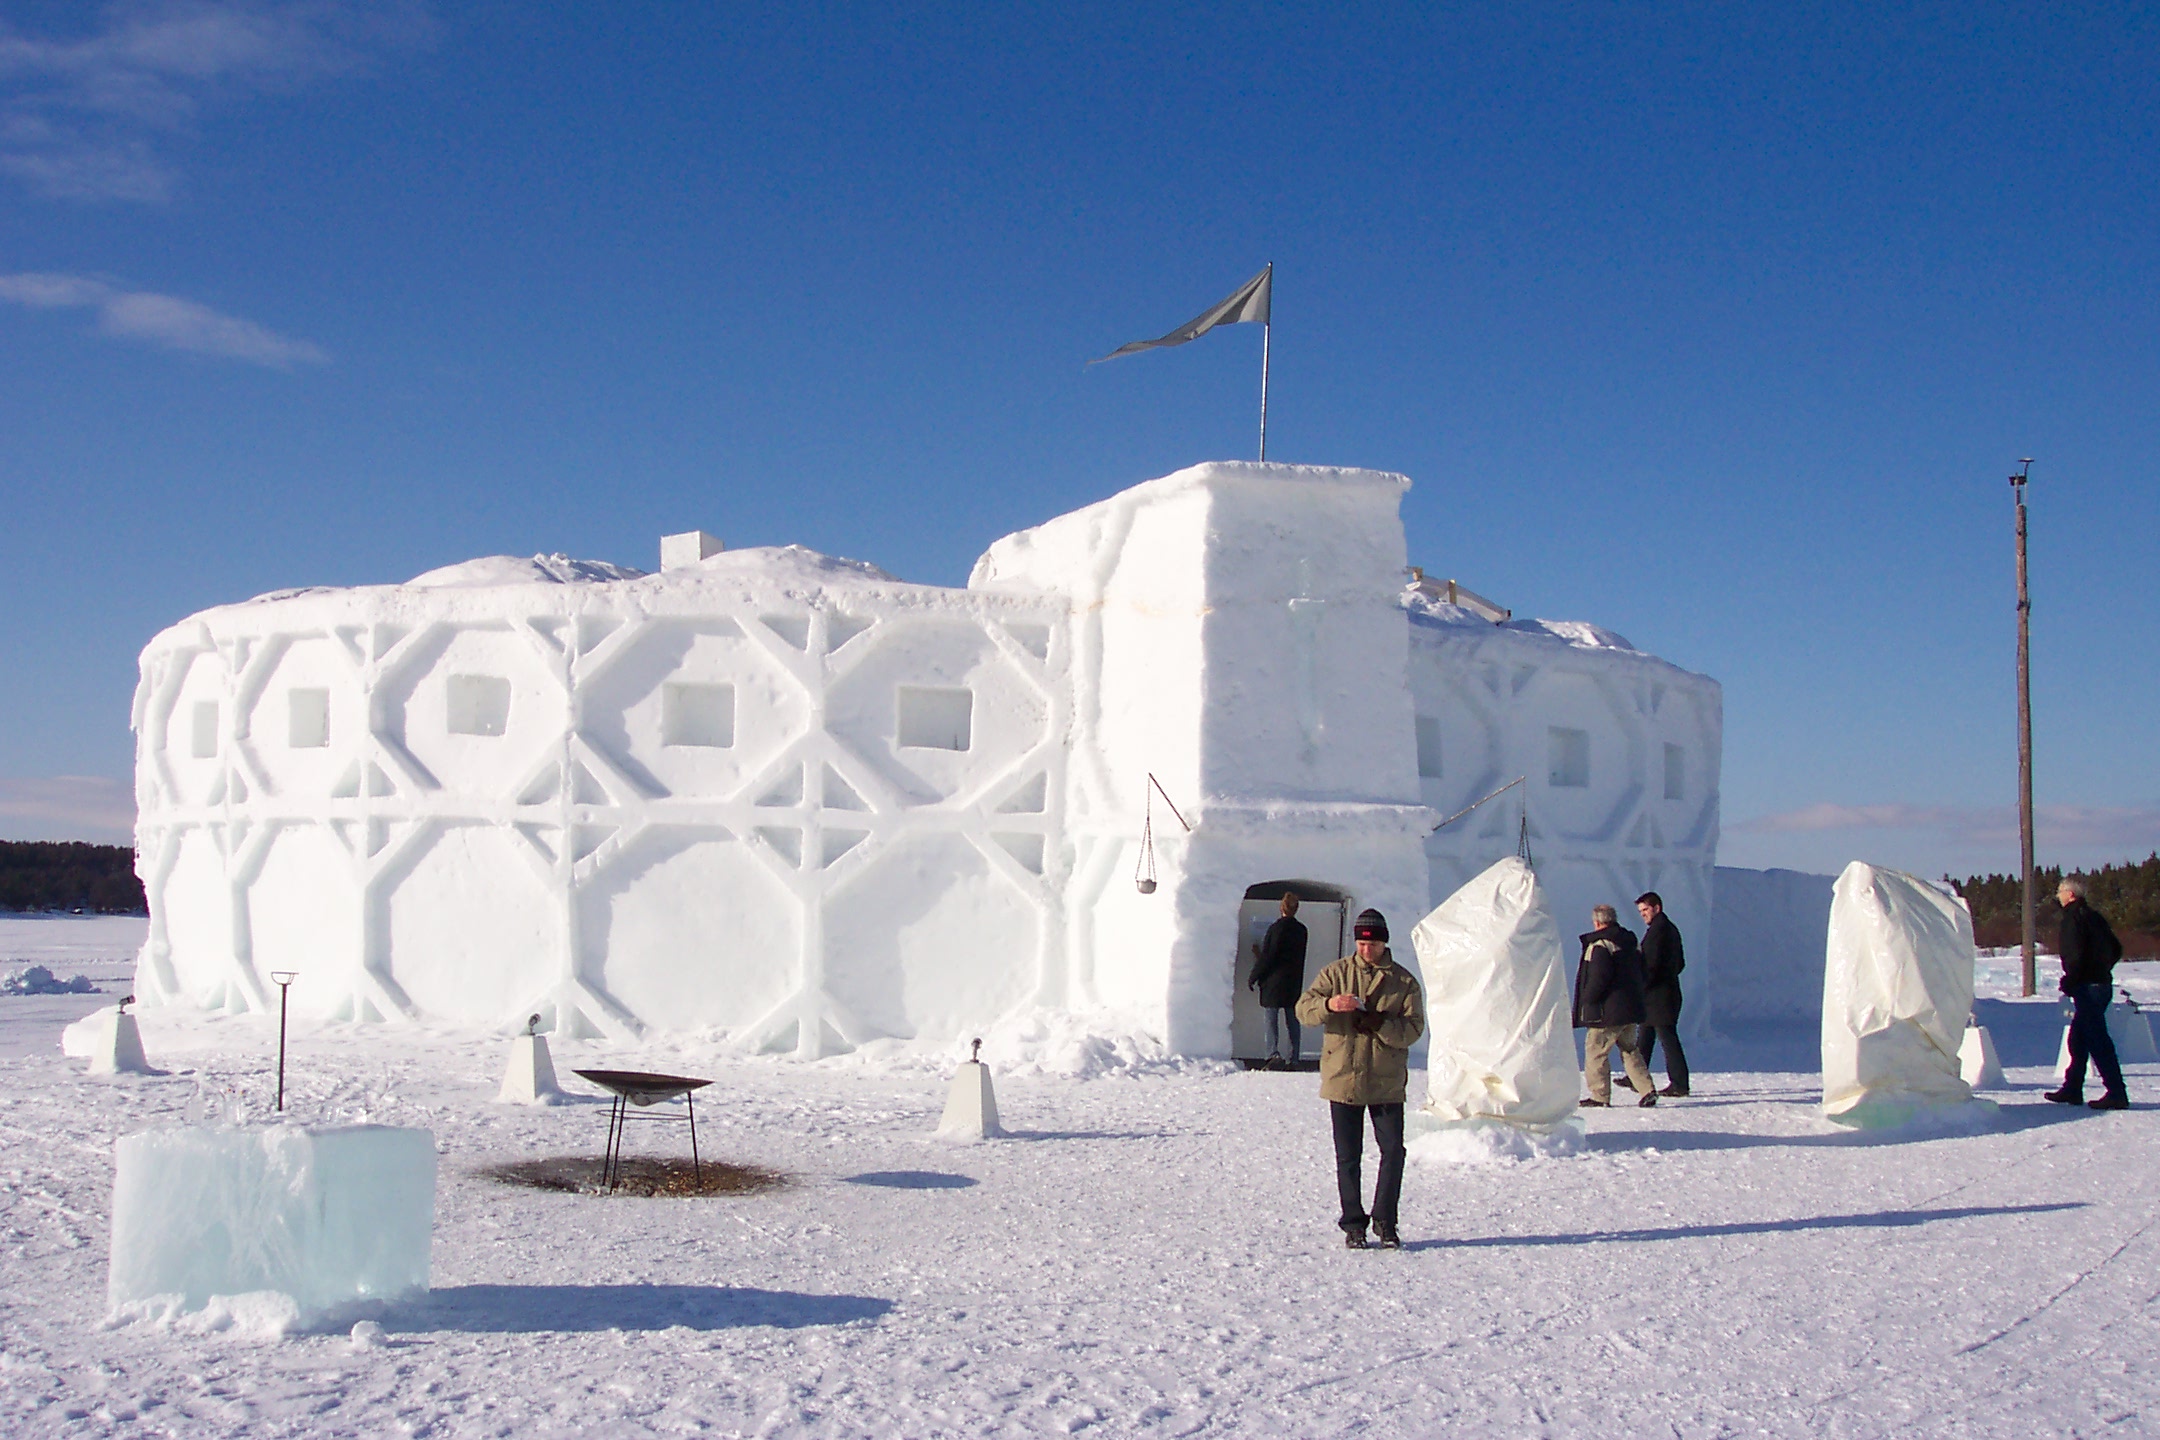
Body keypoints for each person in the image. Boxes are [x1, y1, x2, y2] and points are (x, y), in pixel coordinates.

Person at [1295, 908, 1426, 1249]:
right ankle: (1353, 1223)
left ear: (1385, 942)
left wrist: (1382, 1025)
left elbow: (1414, 1029)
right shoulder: (1335, 973)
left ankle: (1386, 1220)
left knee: (1393, 1151)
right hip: (1344, 1077)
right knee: (1348, 1156)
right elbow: (1303, 1009)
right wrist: (1330, 1005)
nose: (1367, 950)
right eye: (1362, 943)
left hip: (1386, 1080)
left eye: (1374, 943)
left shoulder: (1404, 981)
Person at [2047, 876, 2129, 1110]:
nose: (2058, 896)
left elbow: (2075, 954)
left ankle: (2116, 1092)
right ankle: (2072, 1088)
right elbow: (2116, 948)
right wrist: (2102, 969)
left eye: (2060, 891)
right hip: (2101, 984)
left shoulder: (2073, 918)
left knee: (2097, 1040)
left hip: (2087, 986)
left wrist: (2072, 979)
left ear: (2071, 894)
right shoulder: (2095, 917)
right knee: (2078, 1038)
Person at [1574, 904, 1657, 1108]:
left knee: (1596, 1050)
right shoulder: (1631, 942)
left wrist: (1588, 999)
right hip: (1631, 1008)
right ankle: (1647, 1089)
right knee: (1629, 1048)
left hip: (1608, 1011)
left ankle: (1599, 1095)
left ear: (1597, 922)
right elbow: (1643, 972)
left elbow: (1599, 978)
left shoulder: (1601, 945)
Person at [1621, 891, 1690, 1098]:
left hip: (1660, 996)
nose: (1643, 914)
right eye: (1640, 911)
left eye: (1645, 910)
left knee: (1667, 1038)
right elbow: (1679, 963)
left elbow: (1652, 965)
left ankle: (1679, 1083)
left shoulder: (1659, 931)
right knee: (1646, 1035)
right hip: (1661, 994)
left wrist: (1644, 983)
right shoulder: (1666, 929)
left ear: (1656, 908)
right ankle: (1636, 1077)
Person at [1248, 893, 1309, 1068]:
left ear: (1281, 907)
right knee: (1293, 1020)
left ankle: (1273, 1054)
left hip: (1273, 981)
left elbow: (1269, 956)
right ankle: (1294, 1057)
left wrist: (1254, 975)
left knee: (1271, 1018)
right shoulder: (1302, 930)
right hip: (1293, 980)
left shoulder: (1275, 929)